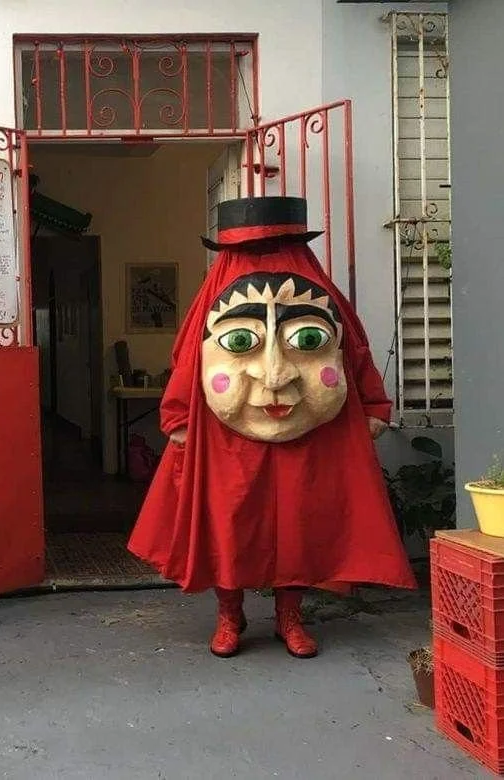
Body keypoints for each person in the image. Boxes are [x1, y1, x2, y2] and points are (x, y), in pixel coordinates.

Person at [128, 196, 416, 659]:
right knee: (229, 525)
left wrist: (373, 406)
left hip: (308, 438)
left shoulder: (317, 296)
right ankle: (230, 614)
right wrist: (179, 414)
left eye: (277, 248)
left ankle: (289, 615)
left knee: (297, 527)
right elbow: (189, 359)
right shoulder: (213, 302)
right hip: (227, 442)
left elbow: (353, 351)